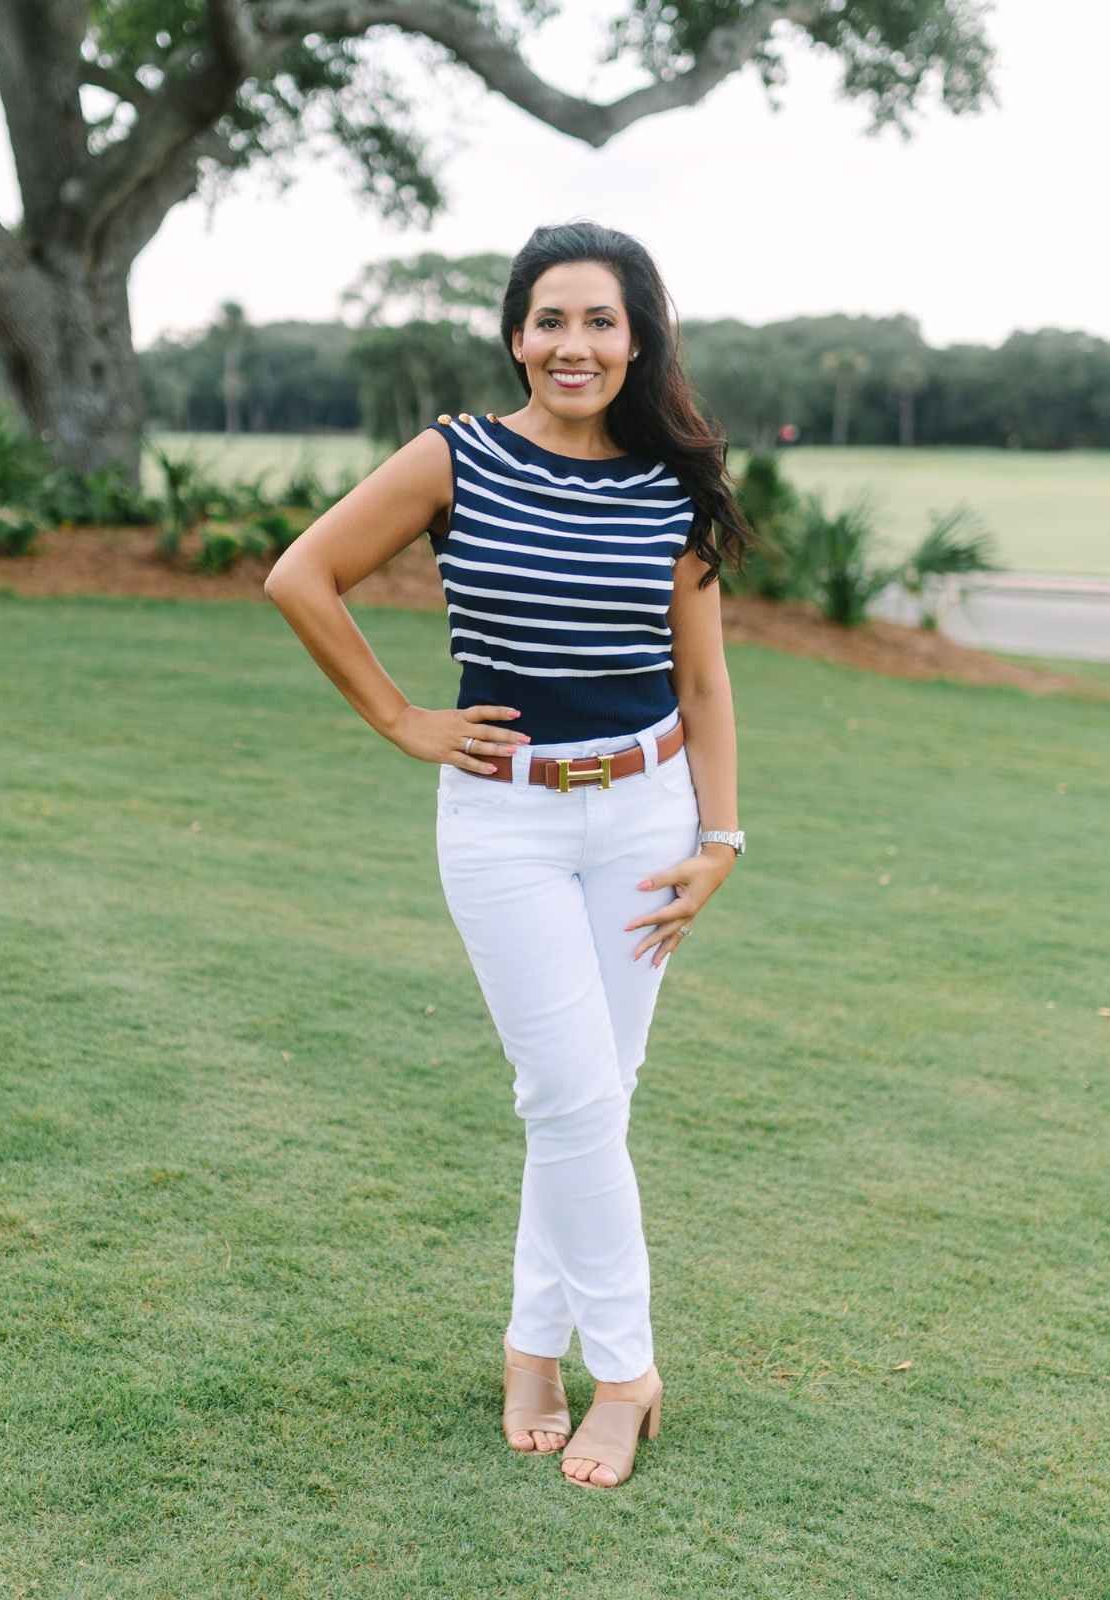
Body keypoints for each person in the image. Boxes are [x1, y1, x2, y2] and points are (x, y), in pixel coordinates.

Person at [264, 220, 751, 1488]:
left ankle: (535, 1345)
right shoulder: (455, 457)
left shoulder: (677, 485)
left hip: (646, 819)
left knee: (589, 1099)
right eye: (548, 320)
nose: (571, 344)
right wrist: (401, 717)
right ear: (515, 334)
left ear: (636, 336)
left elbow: (702, 683)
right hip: (505, 823)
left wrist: (720, 838)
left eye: (598, 320)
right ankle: (628, 1370)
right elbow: (303, 575)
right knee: (572, 1096)